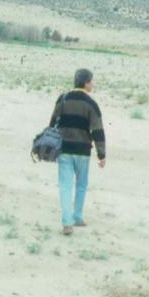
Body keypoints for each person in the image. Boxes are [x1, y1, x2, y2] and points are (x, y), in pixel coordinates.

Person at [49, 68, 106, 235]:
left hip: (64, 149)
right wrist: (101, 154)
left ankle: (67, 223)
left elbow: (52, 123)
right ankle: (78, 217)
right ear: (86, 83)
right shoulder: (91, 103)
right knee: (81, 185)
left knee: (65, 186)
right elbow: (98, 131)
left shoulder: (63, 98)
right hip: (83, 151)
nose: (93, 84)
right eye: (92, 81)